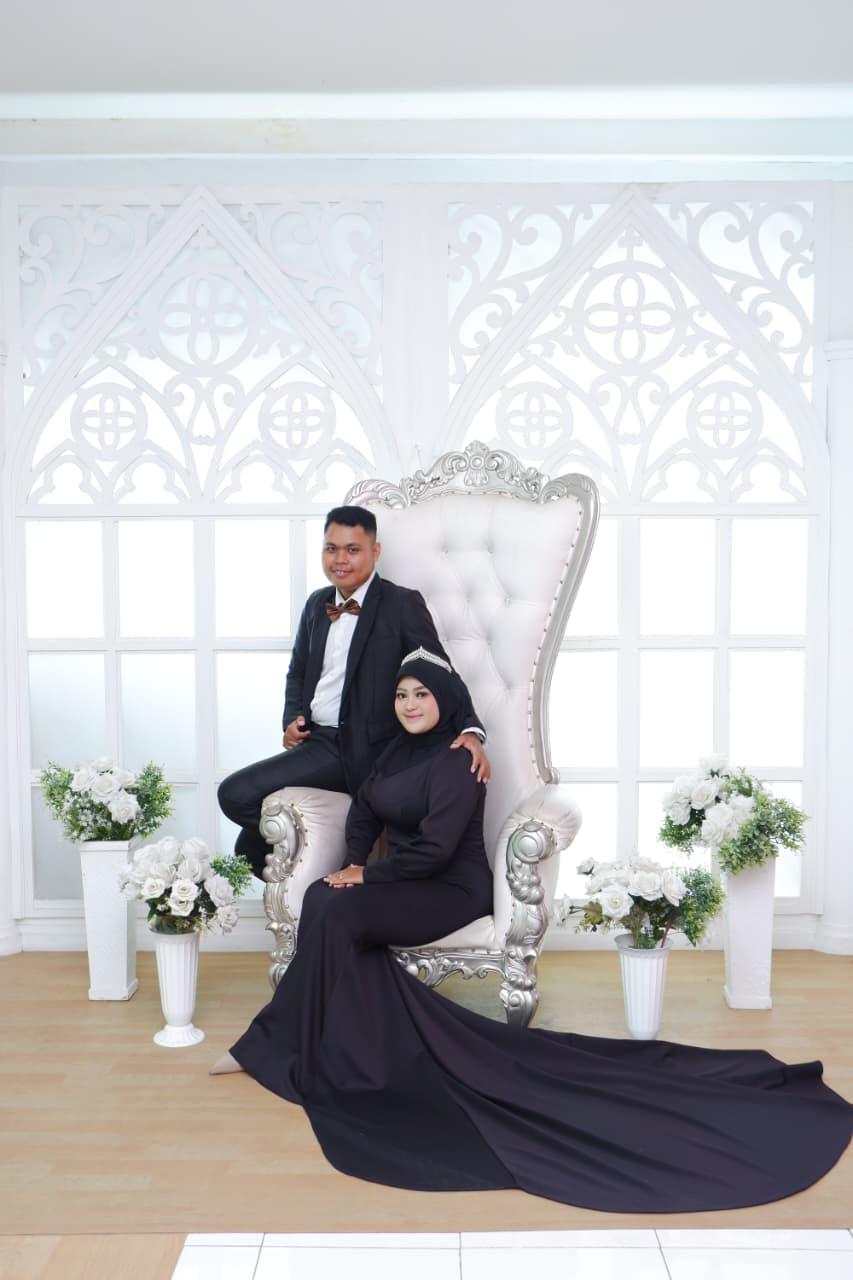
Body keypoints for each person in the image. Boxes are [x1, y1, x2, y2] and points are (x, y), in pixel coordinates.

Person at [212, 652, 852, 1214]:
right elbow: (364, 817)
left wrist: (365, 878)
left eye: (422, 694)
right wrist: (351, 863)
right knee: (324, 899)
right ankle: (317, 1041)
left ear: (446, 701)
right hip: (399, 879)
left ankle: (293, 1044)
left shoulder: (461, 761)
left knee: (339, 910)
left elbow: (436, 851)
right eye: (402, 695)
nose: (409, 704)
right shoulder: (387, 752)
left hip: (447, 889)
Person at [217, 505, 488, 880]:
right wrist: (292, 718)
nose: (340, 559)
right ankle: (325, 866)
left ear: (375, 552)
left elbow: (438, 670)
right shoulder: (317, 604)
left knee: (233, 794)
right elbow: (298, 670)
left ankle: (345, 857)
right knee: (248, 848)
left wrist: (470, 730)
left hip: (364, 750)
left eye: (352, 549)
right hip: (316, 742)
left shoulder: (400, 603)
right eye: (331, 549)